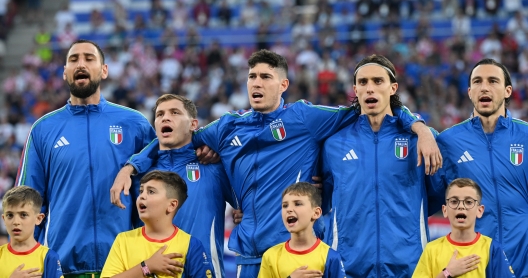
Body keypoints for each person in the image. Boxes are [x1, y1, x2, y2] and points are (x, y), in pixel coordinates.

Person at [113, 50, 441, 278]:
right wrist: (132, 165)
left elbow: (370, 107)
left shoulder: (305, 117)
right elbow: (177, 137)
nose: (256, 83)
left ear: (283, 85)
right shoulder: (228, 126)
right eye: (252, 76)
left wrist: (418, 125)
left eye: (266, 77)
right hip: (248, 255)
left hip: (294, 250)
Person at [15, 39, 157, 277]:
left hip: (125, 266)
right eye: (73, 59)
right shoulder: (43, 129)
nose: (81, 64)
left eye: (89, 59)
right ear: (64, 73)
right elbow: (27, 201)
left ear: (104, 70)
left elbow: (163, 180)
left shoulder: (135, 124)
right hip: (61, 266)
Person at [321, 54, 444, 277]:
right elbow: (322, 198)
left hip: (410, 267)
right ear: (355, 89)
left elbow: (435, 195)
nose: (370, 88)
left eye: (378, 81)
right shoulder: (333, 145)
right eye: (363, 82)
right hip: (348, 269)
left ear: (393, 87)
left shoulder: (421, 140)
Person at [435, 58, 528, 277]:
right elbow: (432, 198)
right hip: (474, 265)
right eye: (477, 81)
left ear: (507, 91)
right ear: (469, 92)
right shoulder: (448, 142)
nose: (484, 87)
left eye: (492, 81)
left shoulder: (526, 136)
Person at [141, 94, 236, 278]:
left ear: (193, 124)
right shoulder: (142, 174)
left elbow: (247, 202)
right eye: (160, 114)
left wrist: (241, 214)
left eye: (174, 112)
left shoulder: (214, 166)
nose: (165, 117)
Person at [101, 170, 213, 278]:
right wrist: (147, 266)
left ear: (172, 205)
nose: (142, 196)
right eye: (141, 191)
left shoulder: (191, 245)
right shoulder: (123, 240)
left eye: (151, 192)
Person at [412, 178, 515, 277]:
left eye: (469, 202)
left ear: (480, 210)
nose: (461, 206)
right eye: (454, 201)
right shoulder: (431, 249)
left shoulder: (492, 249)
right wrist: (447, 273)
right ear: (445, 210)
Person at [258, 182, 345, 278]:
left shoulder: (330, 256)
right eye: (285, 205)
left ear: (316, 213)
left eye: (297, 204)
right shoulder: (271, 256)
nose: (289, 209)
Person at [1, 186, 63, 278]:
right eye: (10, 215)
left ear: (38, 219)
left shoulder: (49, 257)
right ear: (4, 219)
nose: (16, 222)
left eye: (23, 215)